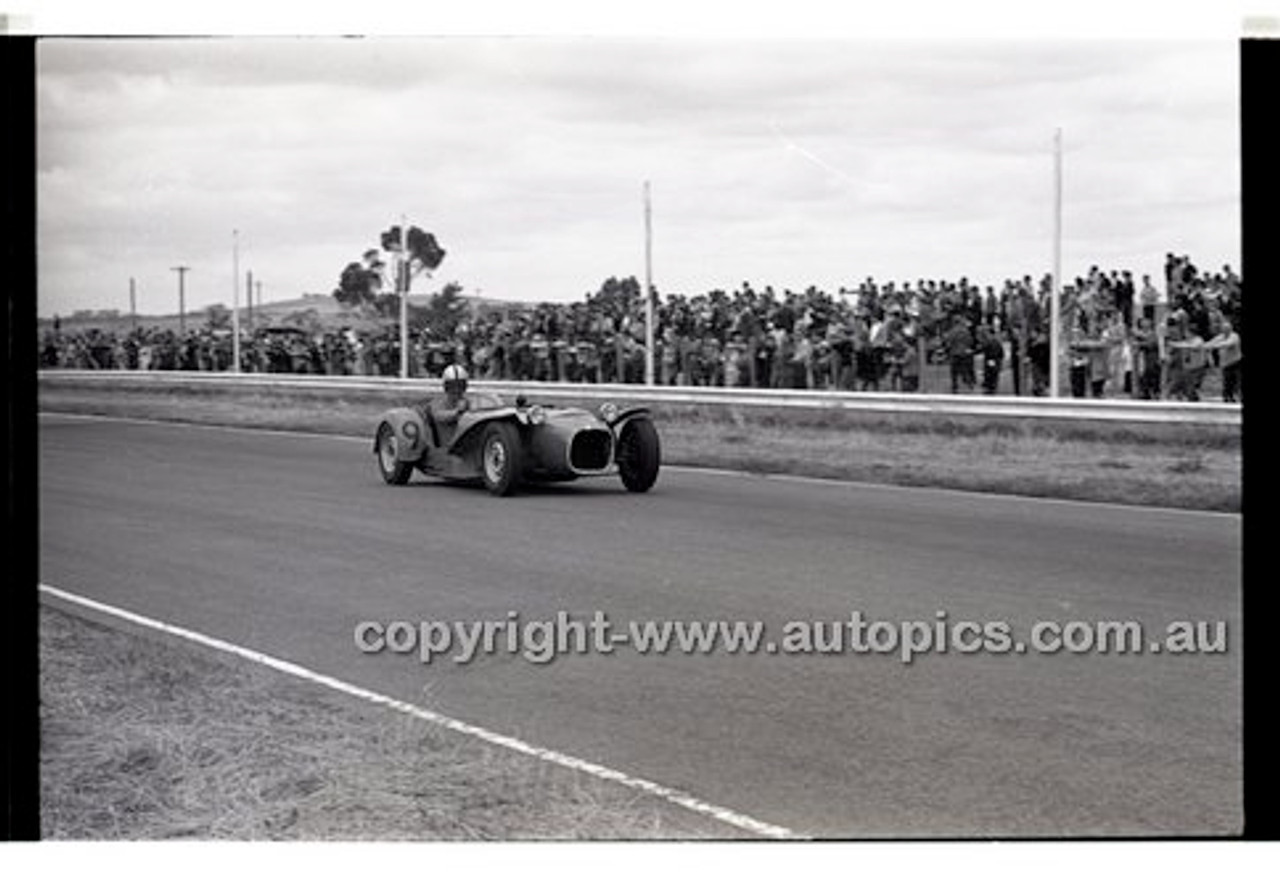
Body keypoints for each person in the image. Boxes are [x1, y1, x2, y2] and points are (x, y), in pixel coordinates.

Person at [418, 364, 472, 446]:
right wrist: (457, 412)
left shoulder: (468, 403)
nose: (456, 390)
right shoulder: (437, 403)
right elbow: (439, 415)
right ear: (446, 387)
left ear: (464, 387)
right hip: (443, 451)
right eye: (452, 386)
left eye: (460, 386)